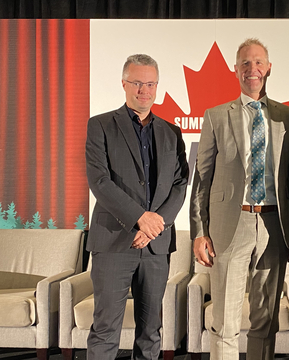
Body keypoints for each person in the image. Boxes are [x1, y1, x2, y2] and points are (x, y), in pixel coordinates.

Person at [190, 38, 289, 360]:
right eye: (244, 63)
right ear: (235, 69)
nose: (251, 69)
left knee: (265, 324)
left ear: (268, 68)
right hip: (230, 226)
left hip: (274, 227)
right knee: (224, 324)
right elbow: (202, 179)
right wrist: (199, 232)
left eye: (258, 62)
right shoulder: (216, 116)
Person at [85, 54, 189, 360]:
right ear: (124, 84)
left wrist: (156, 224)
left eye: (151, 83)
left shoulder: (171, 131)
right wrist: (140, 219)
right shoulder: (101, 125)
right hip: (114, 242)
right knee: (105, 330)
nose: (144, 89)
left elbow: (180, 184)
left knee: (151, 332)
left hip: (156, 247)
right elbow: (100, 181)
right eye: (137, 82)